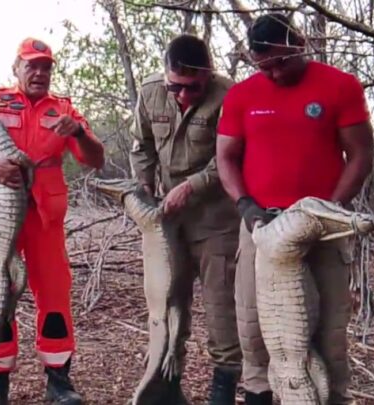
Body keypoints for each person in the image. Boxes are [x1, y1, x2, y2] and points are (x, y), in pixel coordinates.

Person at [215, 13, 374, 405]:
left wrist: (329, 210)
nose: (274, 73)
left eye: (281, 61)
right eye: (264, 66)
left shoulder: (340, 86)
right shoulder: (241, 95)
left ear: (299, 44)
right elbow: (226, 158)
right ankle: (259, 395)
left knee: (330, 333)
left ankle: (331, 396)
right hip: (261, 227)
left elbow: (360, 154)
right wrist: (246, 206)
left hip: (322, 226)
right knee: (255, 332)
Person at [0, 37, 105, 405]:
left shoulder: (64, 109)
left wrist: (79, 132)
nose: (39, 73)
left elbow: (94, 159)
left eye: (46, 67)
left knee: (54, 291)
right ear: (16, 68)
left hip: (43, 213)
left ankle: (59, 380)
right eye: (31, 66)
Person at [129, 33, 242, 404]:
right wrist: (145, 186)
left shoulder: (230, 95)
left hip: (217, 222)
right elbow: (142, 144)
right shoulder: (149, 91)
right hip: (168, 222)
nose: (183, 96)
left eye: (192, 88)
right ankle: (166, 389)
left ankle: (221, 393)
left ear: (207, 76)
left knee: (221, 312)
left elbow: (232, 156)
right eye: (174, 87)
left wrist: (192, 186)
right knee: (168, 304)